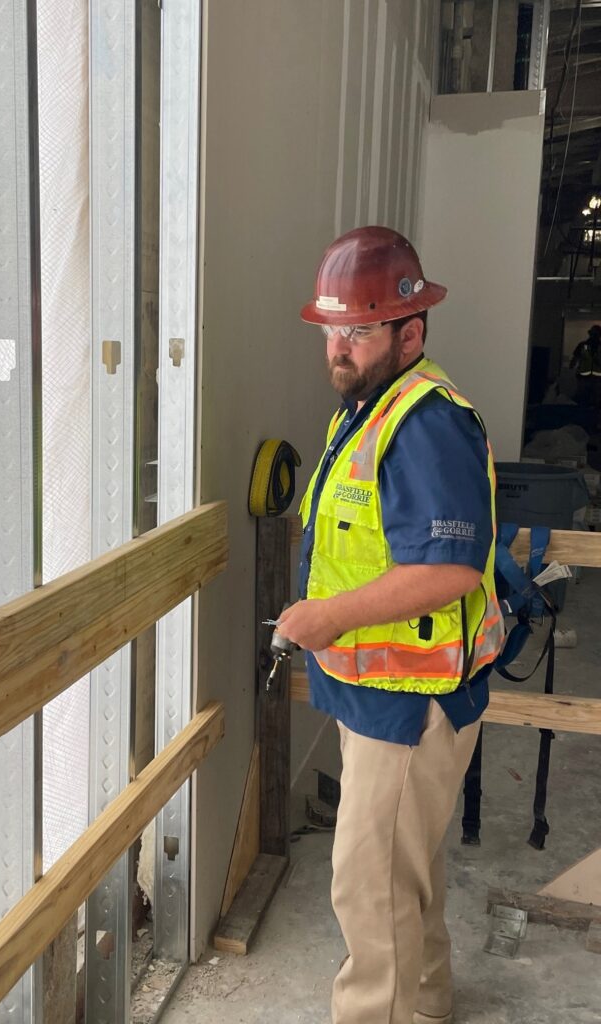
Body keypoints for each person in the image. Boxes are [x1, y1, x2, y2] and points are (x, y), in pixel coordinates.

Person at [276, 226, 505, 1024]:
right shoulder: (368, 406)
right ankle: (430, 1005)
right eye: (332, 328)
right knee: (404, 875)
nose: (338, 348)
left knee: (368, 891)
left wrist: (326, 617)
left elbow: (449, 570)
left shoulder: (425, 423)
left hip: (413, 702)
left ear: (411, 330)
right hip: (383, 695)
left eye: (360, 330)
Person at [569, 324, 601, 408]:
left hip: (594, 377)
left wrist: (572, 366)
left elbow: (575, 359)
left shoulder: (583, 345)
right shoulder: (583, 345)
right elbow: (575, 358)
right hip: (587, 377)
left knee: (592, 398)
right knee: (586, 397)